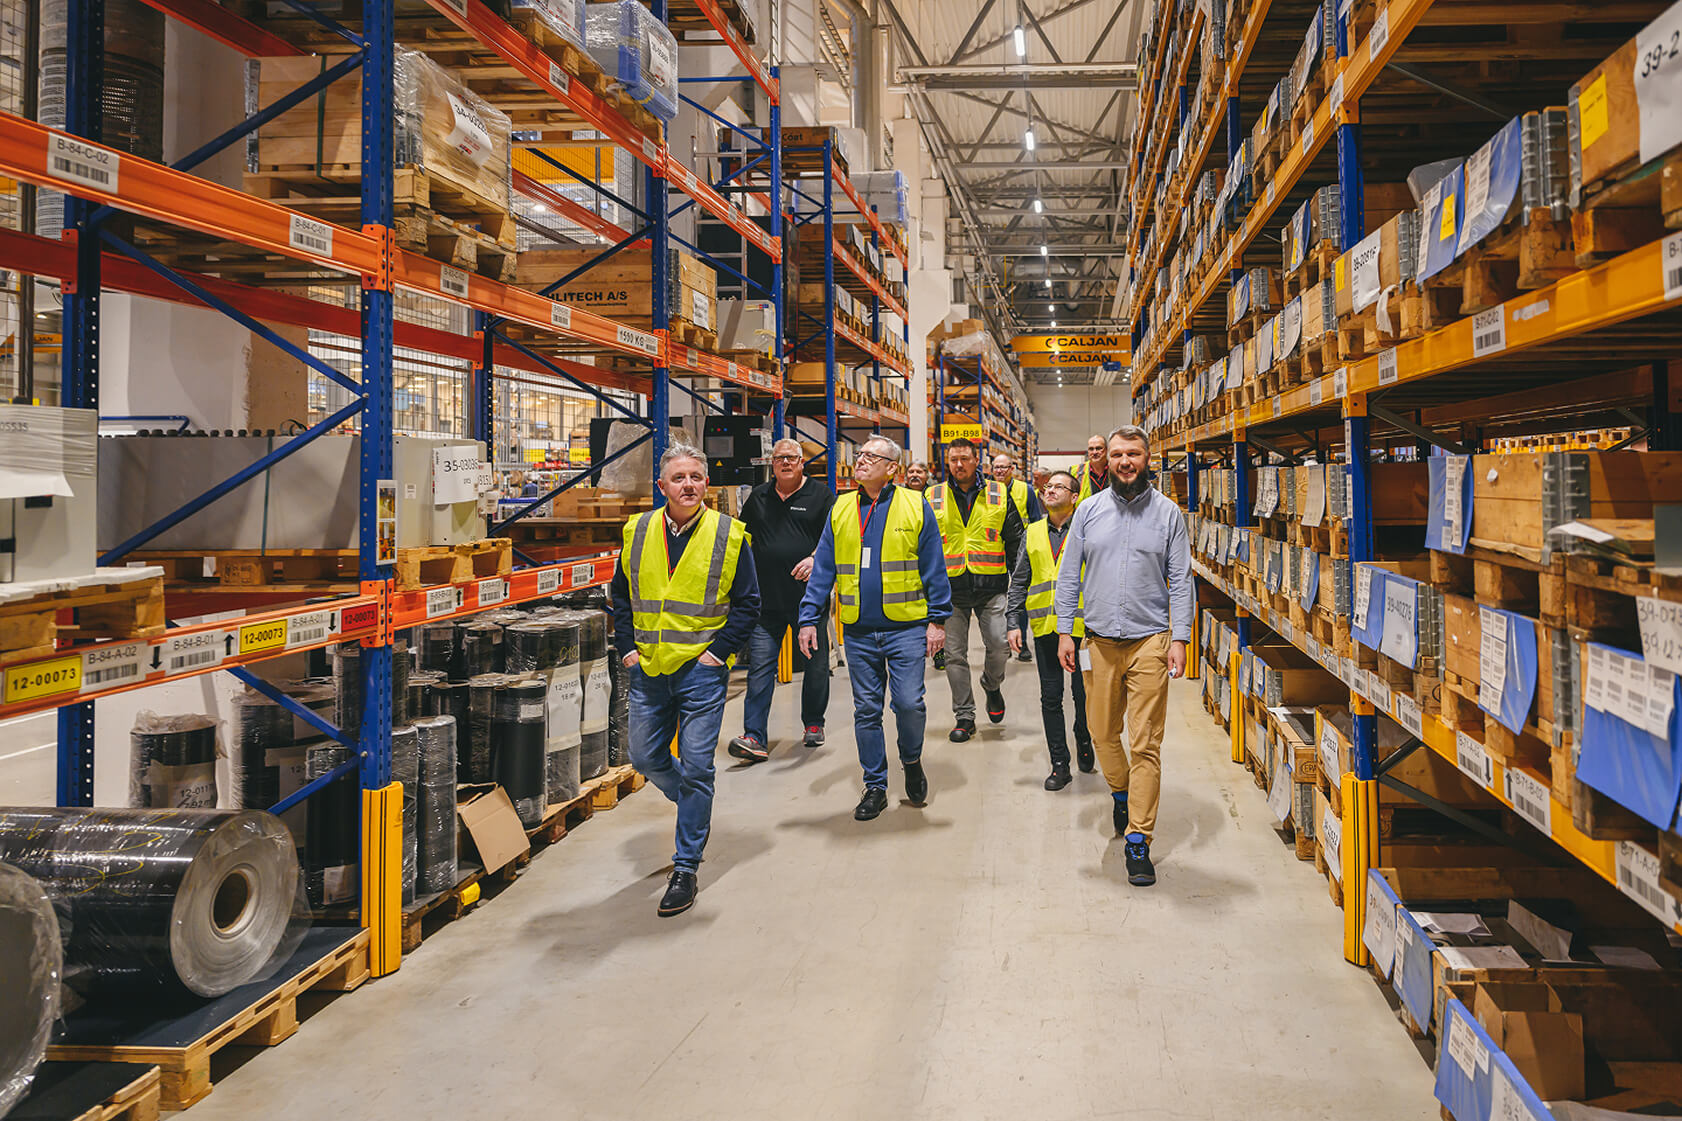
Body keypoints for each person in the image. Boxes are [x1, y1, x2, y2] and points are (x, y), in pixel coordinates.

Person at [612, 443, 761, 917]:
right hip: (650, 669)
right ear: (663, 487)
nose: (689, 485)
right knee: (645, 756)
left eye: (696, 476)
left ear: (706, 485)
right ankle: (694, 804)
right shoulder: (636, 530)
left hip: (701, 671)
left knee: (698, 766)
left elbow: (748, 603)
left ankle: (685, 867)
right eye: (679, 478)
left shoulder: (729, 534)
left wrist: (718, 654)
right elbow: (620, 595)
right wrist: (627, 648)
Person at [1055, 425, 1191, 888]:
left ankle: (1139, 840)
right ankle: (1120, 791)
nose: (1124, 461)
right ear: (1106, 461)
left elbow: (1181, 579)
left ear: (1147, 459)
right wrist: (1064, 632)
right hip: (1098, 642)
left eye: (1133, 453)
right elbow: (1068, 574)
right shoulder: (1088, 512)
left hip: (1151, 639)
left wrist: (1180, 637)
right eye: (1117, 455)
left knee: (1145, 744)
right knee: (1101, 733)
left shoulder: (1169, 514)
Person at [799, 435, 951, 821]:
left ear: (892, 469)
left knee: (908, 703)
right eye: (860, 455)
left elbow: (934, 566)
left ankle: (912, 760)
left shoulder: (915, 506)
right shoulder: (842, 507)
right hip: (859, 631)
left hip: (907, 628)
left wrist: (938, 620)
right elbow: (823, 570)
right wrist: (808, 616)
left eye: (871, 457)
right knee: (866, 710)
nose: (861, 461)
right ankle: (875, 785)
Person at [728, 438, 834, 762]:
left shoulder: (821, 496)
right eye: (779, 458)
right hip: (766, 603)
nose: (785, 463)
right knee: (760, 669)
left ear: (803, 462)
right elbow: (742, 541)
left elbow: (833, 538)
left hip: (808, 604)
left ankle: (813, 723)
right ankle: (754, 736)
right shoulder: (758, 498)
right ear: (771, 464)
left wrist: (816, 558)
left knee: (816, 665)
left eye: (791, 458)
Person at [927, 437, 1025, 742]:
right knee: (954, 655)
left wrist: (1019, 584)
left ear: (976, 461)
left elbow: (1015, 540)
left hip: (991, 585)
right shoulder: (933, 496)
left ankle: (991, 685)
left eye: (964, 459)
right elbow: (925, 545)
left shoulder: (999, 493)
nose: (958, 465)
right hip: (950, 590)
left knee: (999, 645)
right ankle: (964, 716)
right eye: (953, 459)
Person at [1007, 469, 1093, 790]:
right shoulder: (1032, 532)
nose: (1050, 490)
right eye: (1048, 487)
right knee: (1050, 696)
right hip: (1045, 629)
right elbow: (1019, 580)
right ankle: (1060, 762)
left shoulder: (1087, 531)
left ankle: (1083, 737)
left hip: (1085, 631)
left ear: (1074, 497)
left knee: (1084, 694)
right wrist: (1013, 621)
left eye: (1059, 486)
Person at [991, 452, 1042, 662]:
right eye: (996, 467)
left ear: (1012, 469)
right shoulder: (987, 490)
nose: (1000, 471)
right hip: (993, 549)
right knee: (996, 599)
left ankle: (1021, 644)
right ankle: (1002, 641)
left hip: (1020, 549)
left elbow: (1037, 520)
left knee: (1017, 596)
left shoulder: (1026, 490)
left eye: (1004, 467)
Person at [1070, 433, 1112, 502]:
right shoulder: (1074, 471)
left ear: (1106, 450)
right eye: (1091, 449)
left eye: (1099, 448)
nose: (1094, 452)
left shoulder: (1116, 469)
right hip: (1085, 512)